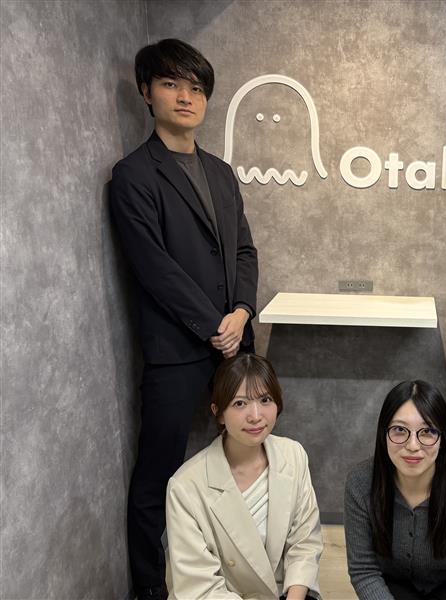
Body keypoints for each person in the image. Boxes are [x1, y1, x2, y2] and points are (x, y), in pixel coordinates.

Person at [110, 39, 258, 599]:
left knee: (246, 459)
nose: (185, 97)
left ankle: (246, 569)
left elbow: (244, 250)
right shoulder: (133, 175)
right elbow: (154, 267)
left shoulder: (220, 173)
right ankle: (151, 588)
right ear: (147, 92)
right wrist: (215, 326)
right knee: (159, 474)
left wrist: (241, 313)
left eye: (196, 87)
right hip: (176, 349)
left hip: (235, 341)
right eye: (171, 84)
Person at [166, 354, 322, 599]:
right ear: (218, 412)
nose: (256, 415)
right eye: (240, 403)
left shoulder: (293, 455)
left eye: (265, 400)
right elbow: (200, 587)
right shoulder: (185, 486)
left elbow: (304, 544)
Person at [344, 380, 446, 599]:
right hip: (388, 588)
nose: (413, 445)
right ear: (383, 433)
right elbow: (363, 570)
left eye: (427, 431)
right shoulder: (360, 484)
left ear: (442, 438)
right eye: (399, 430)